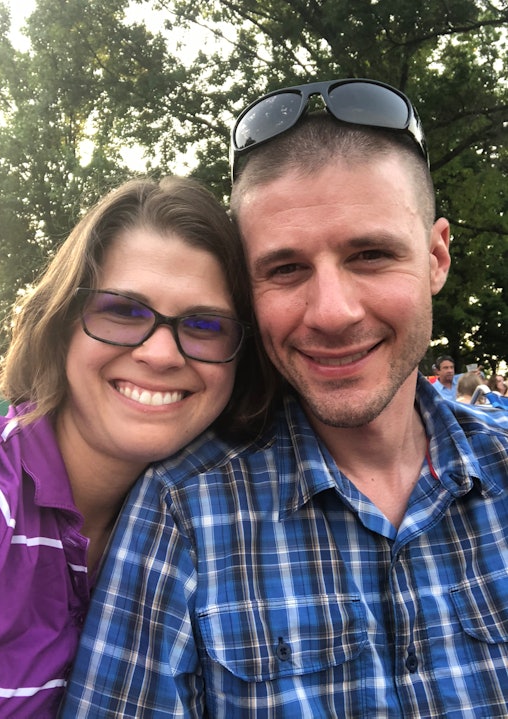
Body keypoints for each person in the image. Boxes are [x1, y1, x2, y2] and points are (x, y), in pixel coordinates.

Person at [62, 79, 508, 717]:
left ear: (436, 256)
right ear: (248, 289)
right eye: (285, 269)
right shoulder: (182, 511)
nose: (331, 312)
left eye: (372, 255)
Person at [0, 176, 268, 717]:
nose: (159, 354)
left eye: (204, 324)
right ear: (61, 325)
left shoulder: (219, 525)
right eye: (123, 311)